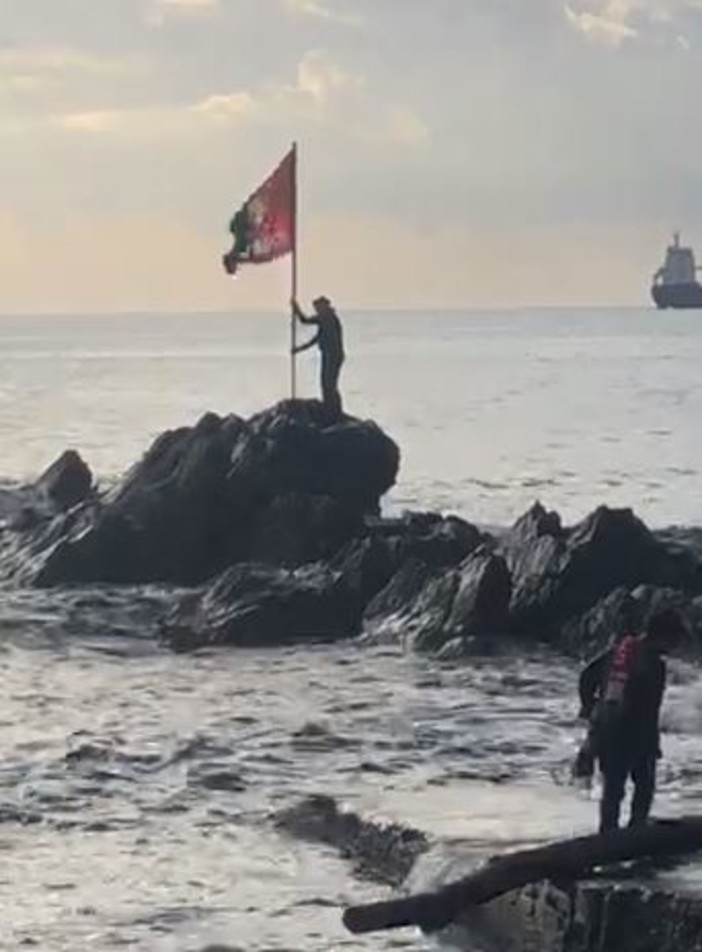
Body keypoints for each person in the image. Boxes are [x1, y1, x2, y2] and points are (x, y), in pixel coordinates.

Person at [576, 608, 685, 833]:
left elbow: (587, 676)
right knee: (644, 789)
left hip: (608, 731)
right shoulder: (653, 665)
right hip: (633, 736)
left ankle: (608, 836)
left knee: (613, 793)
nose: (675, 647)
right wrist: (651, 744)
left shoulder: (619, 651)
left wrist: (589, 706)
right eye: (674, 640)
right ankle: (636, 833)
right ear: (662, 636)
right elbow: (648, 710)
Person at [291, 296, 345, 418]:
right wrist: (299, 349)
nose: (316, 310)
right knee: (327, 383)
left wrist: (296, 308)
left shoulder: (327, 318)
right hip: (329, 355)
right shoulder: (326, 319)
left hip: (333, 355)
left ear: (324, 306)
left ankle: (334, 410)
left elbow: (304, 320)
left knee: (329, 384)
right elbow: (316, 339)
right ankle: (331, 408)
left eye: (318, 307)